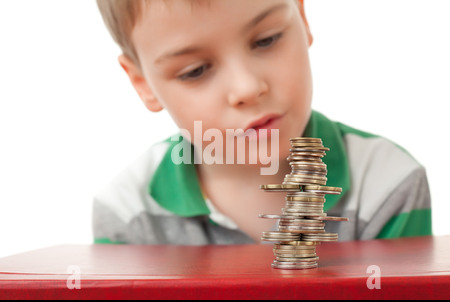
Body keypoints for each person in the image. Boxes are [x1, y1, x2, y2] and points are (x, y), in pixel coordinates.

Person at [93, 0, 432, 245]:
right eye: (194, 70)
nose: (248, 88)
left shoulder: (388, 184)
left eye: (266, 39)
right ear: (142, 84)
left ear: (301, 15)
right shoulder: (127, 214)